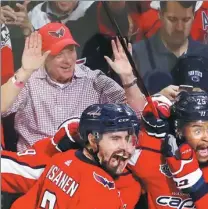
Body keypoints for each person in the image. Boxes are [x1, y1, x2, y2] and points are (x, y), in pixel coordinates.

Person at [3, 103, 141, 209]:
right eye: (115, 138)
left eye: (130, 140)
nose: (126, 148)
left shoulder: (60, 161)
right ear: (93, 140)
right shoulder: (103, 192)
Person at [1, 23, 146, 151]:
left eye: (71, 50)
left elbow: (139, 114)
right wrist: (25, 72)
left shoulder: (93, 80)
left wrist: (127, 78)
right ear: (43, 57)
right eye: (59, 54)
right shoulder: (29, 81)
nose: (68, 60)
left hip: (78, 166)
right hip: (35, 166)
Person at [132, 1, 208, 100]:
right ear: (160, 14)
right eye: (172, 19)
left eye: (185, 20)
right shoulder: (136, 54)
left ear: (194, 16)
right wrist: (156, 99)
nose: (179, 28)